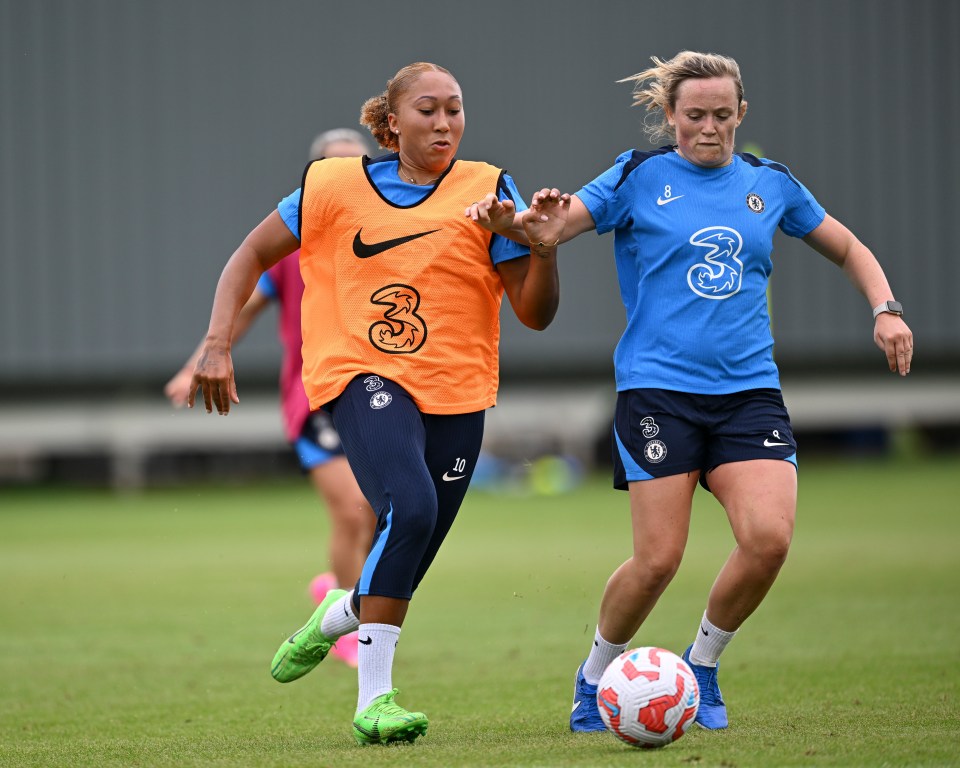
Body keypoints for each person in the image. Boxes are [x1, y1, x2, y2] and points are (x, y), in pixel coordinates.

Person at [467, 50, 913, 732]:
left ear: (742, 114)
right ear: (670, 116)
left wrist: (885, 309)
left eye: (723, 115)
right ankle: (594, 679)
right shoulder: (637, 175)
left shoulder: (772, 185)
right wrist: (522, 224)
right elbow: (553, 227)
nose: (710, 128)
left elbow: (850, 247)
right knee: (658, 561)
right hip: (657, 393)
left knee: (768, 540)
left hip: (748, 394)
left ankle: (701, 667)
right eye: (695, 115)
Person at [187, 62, 568, 745]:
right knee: (409, 509)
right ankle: (375, 701)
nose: (445, 122)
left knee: (407, 553)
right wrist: (216, 343)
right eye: (428, 110)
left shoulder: (490, 191)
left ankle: (340, 613)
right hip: (358, 374)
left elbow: (535, 315)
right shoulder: (332, 186)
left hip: (457, 390)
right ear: (392, 123)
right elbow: (247, 257)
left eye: (455, 109)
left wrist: (540, 247)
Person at [166, 129, 378, 668]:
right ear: (312, 179)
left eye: (359, 166)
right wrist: (200, 360)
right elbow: (245, 305)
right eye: (335, 168)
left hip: (375, 393)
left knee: (382, 512)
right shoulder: (292, 245)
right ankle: (346, 624)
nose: (348, 177)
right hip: (312, 398)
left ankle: (333, 587)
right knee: (353, 511)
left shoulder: (389, 235)